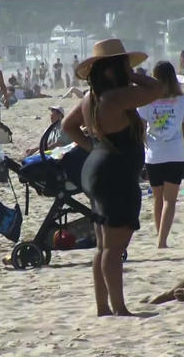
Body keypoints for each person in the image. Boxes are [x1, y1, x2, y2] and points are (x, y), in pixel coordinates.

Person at [62, 38, 163, 316]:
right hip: (114, 173)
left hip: (98, 168)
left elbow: (67, 126)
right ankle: (119, 307)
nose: (126, 69)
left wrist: (94, 147)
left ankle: (103, 307)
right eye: (123, 64)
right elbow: (158, 89)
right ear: (113, 68)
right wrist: (132, 76)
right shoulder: (116, 96)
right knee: (114, 248)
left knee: (104, 246)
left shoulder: (91, 97)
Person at [137, 61, 184, 249]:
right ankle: (162, 240)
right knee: (169, 200)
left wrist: (148, 144)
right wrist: (183, 153)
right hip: (175, 153)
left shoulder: (147, 101)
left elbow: (140, 130)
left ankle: (159, 237)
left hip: (154, 155)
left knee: (158, 198)